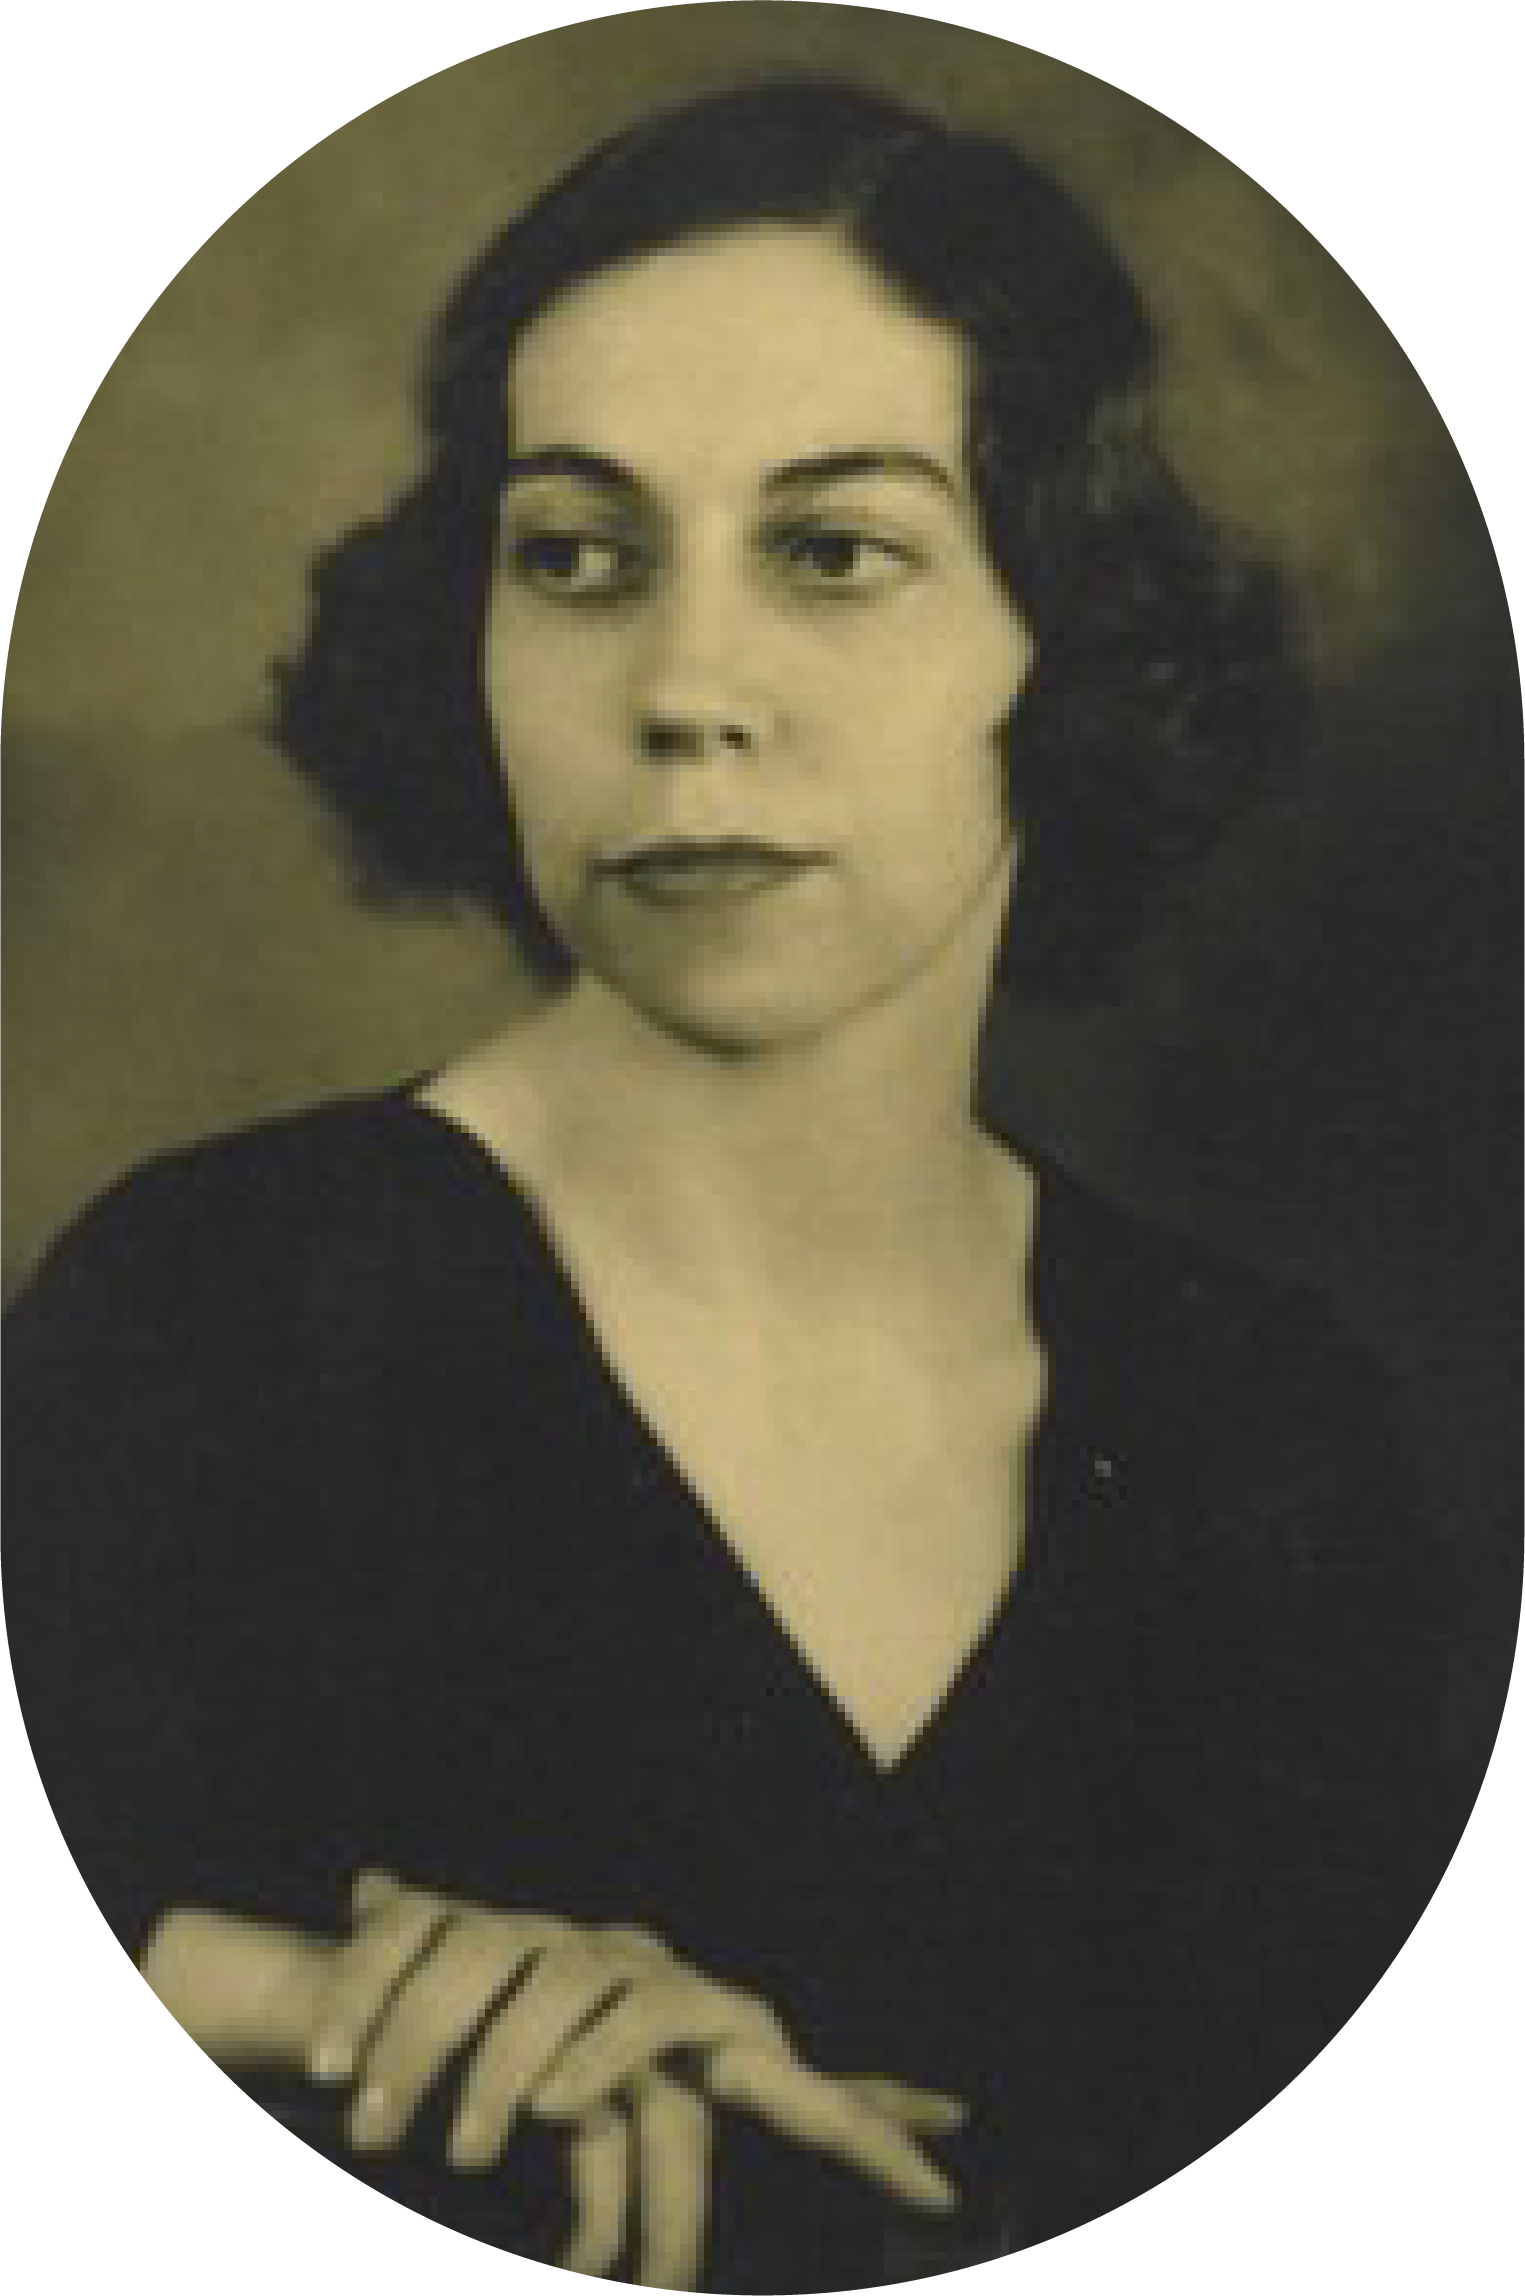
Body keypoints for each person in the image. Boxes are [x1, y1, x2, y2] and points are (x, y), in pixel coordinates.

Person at [3, 71, 1458, 2296]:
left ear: (1057, 634)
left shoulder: (1271, 1428)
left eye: (833, 550)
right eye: (576, 558)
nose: (685, 689)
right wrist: (276, 1996)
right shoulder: (213, 1315)